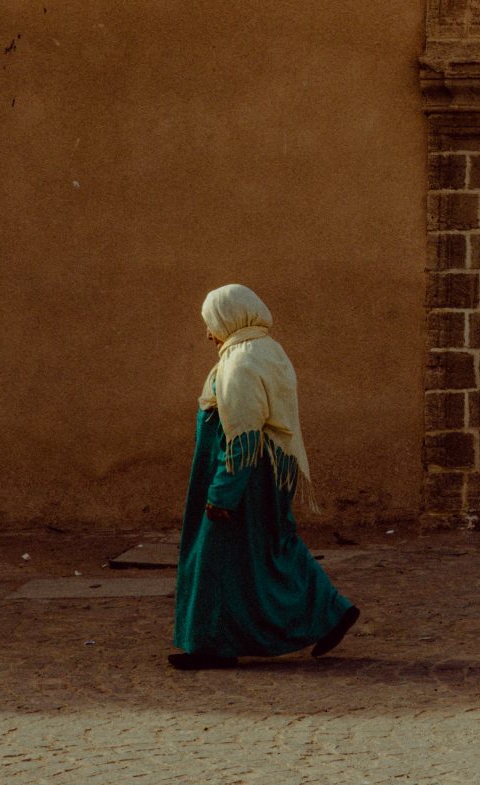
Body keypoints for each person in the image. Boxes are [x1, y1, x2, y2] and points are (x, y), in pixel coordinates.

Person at [170, 283, 359, 669]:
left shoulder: (240, 363)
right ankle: (332, 611)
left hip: (245, 479)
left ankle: (211, 646)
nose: (209, 333)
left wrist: (222, 494)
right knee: (273, 548)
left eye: (212, 323)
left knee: (214, 558)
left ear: (230, 318)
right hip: (268, 474)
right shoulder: (266, 350)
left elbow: (243, 435)